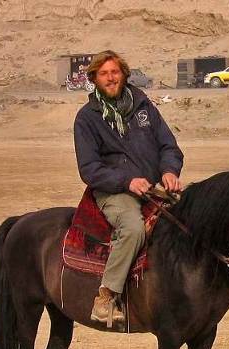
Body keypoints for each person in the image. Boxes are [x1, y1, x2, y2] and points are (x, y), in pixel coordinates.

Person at [73, 50, 184, 325]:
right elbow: (89, 169)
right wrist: (127, 181)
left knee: (189, 219)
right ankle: (106, 296)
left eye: (115, 72)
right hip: (114, 192)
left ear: (124, 74)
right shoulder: (87, 118)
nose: (110, 78)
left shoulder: (143, 107)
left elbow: (168, 146)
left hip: (151, 187)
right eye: (104, 74)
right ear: (94, 79)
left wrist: (169, 171)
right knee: (134, 229)